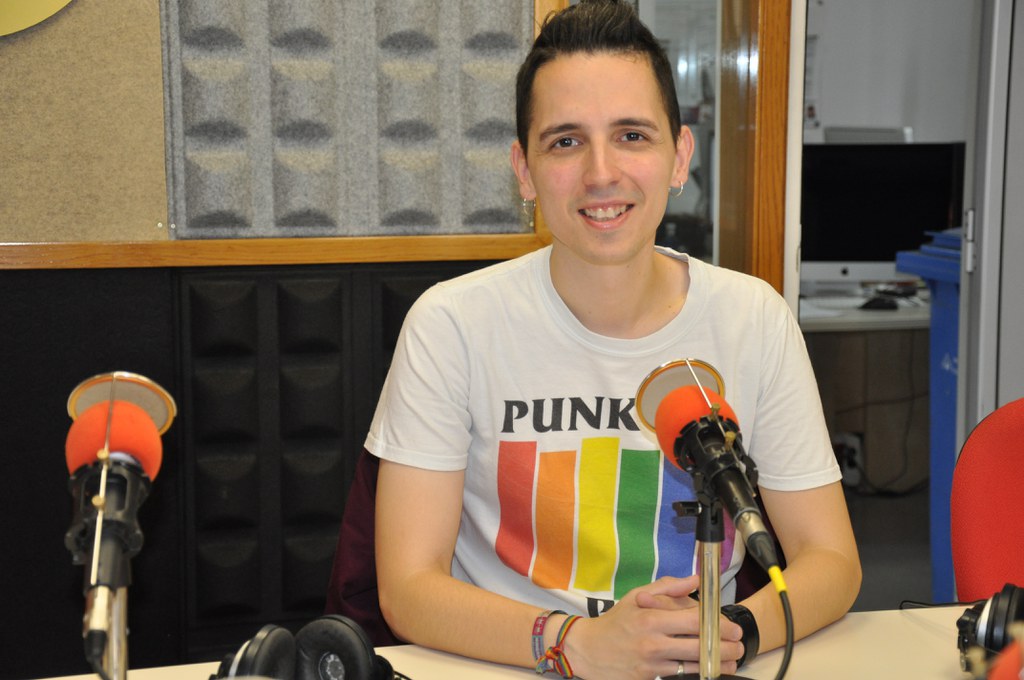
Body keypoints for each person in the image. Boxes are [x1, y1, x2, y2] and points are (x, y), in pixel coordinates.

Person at [368, 1, 861, 678]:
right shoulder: (451, 326)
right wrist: (575, 642)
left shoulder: (753, 319)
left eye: (632, 135)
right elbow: (407, 588)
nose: (602, 173)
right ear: (523, 170)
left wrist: (724, 635)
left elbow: (832, 561)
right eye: (565, 142)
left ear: (679, 157)